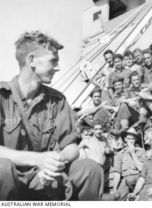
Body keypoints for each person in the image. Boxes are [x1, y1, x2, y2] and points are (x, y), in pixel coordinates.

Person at [0, 31, 103, 200]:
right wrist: (37, 159)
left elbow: (71, 146)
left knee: (90, 169)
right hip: (9, 179)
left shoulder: (57, 100)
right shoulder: (2, 96)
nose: (58, 67)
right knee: (2, 168)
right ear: (32, 61)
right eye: (53, 61)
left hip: (47, 179)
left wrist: (55, 161)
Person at [113, 128, 145, 200]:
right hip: (125, 178)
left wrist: (133, 152)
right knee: (119, 199)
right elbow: (117, 173)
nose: (130, 141)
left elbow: (141, 168)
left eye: (132, 139)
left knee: (140, 198)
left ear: (135, 140)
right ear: (125, 139)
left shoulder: (141, 151)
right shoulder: (120, 154)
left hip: (137, 177)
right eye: (129, 138)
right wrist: (114, 188)